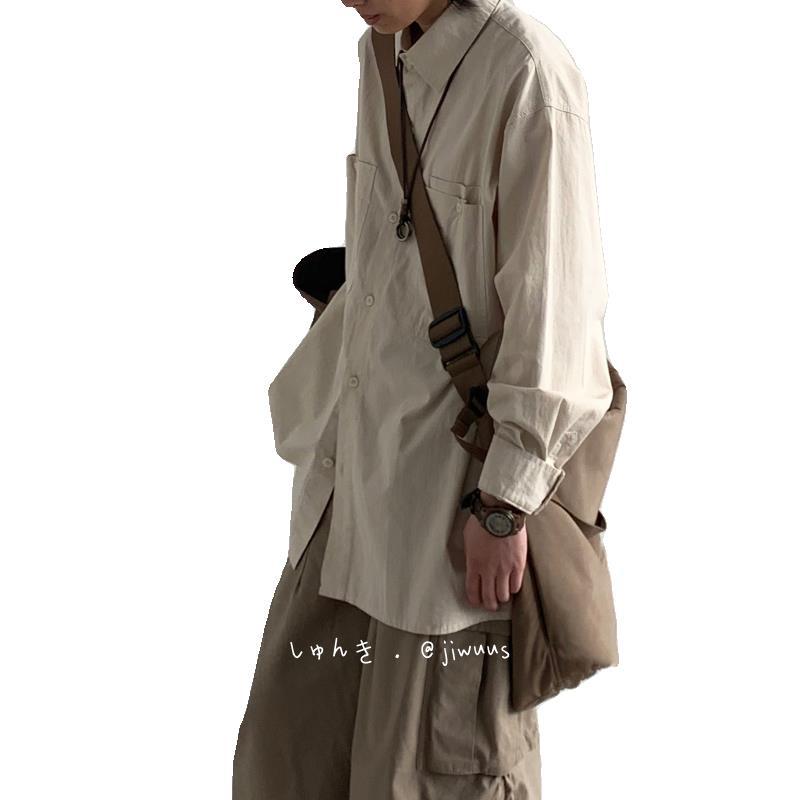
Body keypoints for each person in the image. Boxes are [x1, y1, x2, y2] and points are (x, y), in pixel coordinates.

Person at [232, 0, 613, 797]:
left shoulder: (528, 74)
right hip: (351, 488)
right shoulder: (382, 50)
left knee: (431, 776)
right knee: (287, 761)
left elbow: (557, 314)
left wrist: (503, 504)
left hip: (452, 514)